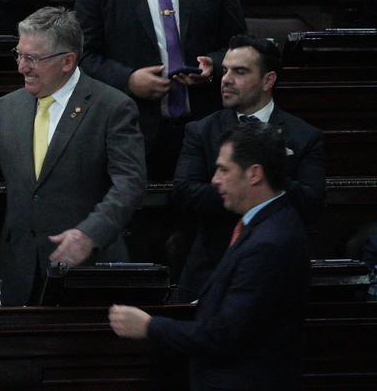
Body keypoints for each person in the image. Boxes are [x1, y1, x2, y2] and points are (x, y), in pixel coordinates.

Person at [0, 7, 146, 306]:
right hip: (20, 274)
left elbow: (129, 185)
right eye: (19, 55)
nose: (22, 67)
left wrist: (89, 234)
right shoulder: (7, 108)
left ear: (68, 61)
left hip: (88, 272)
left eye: (33, 58)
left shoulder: (112, 107)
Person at [110, 122, 310, 391]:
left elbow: (223, 335)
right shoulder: (266, 224)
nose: (215, 179)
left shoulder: (269, 242)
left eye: (224, 169)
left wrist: (149, 326)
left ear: (254, 174)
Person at [75, 0, 246, 182]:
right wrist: (128, 80)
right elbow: (84, 57)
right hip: (133, 130)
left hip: (203, 126)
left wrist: (214, 66)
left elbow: (240, 45)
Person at [171, 34, 325, 301]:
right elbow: (185, 193)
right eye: (225, 69)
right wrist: (257, 191)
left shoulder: (304, 136)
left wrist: (260, 178)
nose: (226, 79)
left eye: (239, 71)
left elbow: (311, 203)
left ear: (268, 80)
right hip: (210, 268)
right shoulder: (201, 131)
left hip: (278, 273)